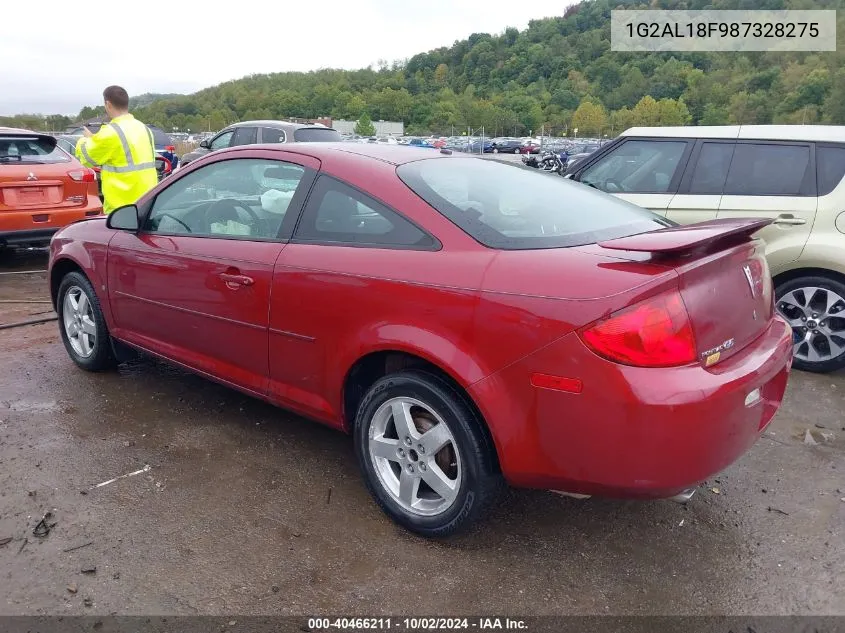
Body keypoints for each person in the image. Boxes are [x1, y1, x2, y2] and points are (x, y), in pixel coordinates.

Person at [75, 86, 158, 214]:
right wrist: (96, 139)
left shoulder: (110, 132)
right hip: (147, 202)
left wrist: (85, 140)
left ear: (108, 104)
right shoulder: (144, 128)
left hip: (121, 207)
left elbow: (88, 158)